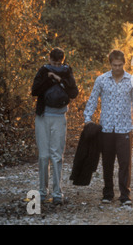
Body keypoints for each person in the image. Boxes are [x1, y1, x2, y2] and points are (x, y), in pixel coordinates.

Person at [84, 49, 133, 206]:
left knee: (125, 163)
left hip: (124, 128)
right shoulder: (101, 80)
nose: (117, 68)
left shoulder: (132, 81)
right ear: (110, 64)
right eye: (114, 65)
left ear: (124, 63)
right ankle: (108, 193)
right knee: (107, 162)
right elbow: (93, 99)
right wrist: (87, 118)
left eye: (120, 65)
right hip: (106, 128)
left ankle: (125, 195)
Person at [31, 47, 79, 205]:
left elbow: (73, 93)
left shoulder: (67, 72)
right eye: (54, 62)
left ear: (63, 61)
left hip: (59, 117)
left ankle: (57, 192)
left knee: (57, 156)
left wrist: (59, 79)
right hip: (43, 116)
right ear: (49, 59)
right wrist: (50, 78)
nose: (57, 65)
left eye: (59, 63)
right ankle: (42, 191)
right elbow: (35, 90)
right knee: (44, 156)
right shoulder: (43, 71)